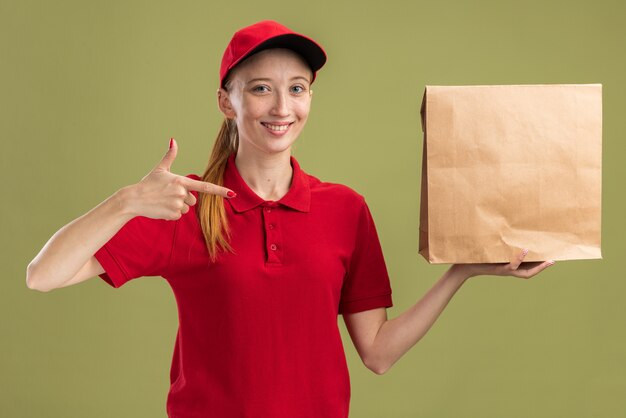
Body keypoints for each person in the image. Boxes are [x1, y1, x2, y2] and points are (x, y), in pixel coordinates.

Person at [26, 20, 555, 418]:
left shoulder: (344, 209)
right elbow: (42, 275)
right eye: (260, 88)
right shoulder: (185, 204)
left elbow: (378, 354)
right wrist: (127, 201)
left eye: (297, 88)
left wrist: (461, 271)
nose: (282, 106)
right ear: (226, 102)